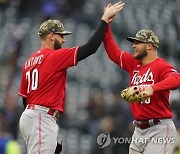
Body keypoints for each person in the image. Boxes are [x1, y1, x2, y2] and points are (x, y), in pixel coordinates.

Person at [18, 2, 125, 154]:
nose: (64, 40)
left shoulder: (29, 62)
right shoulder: (54, 56)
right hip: (42, 117)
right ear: (51, 36)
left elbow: (24, 99)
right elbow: (90, 48)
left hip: (30, 116)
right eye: (61, 36)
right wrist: (104, 20)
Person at [103, 25, 180, 154]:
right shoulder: (134, 64)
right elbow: (113, 53)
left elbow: (177, 78)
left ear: (149, 45)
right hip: (139, 130)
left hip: (159, 129)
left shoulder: (161, 66)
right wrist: (106, 24)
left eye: (137, 43)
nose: (133, 46)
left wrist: (152, 88)